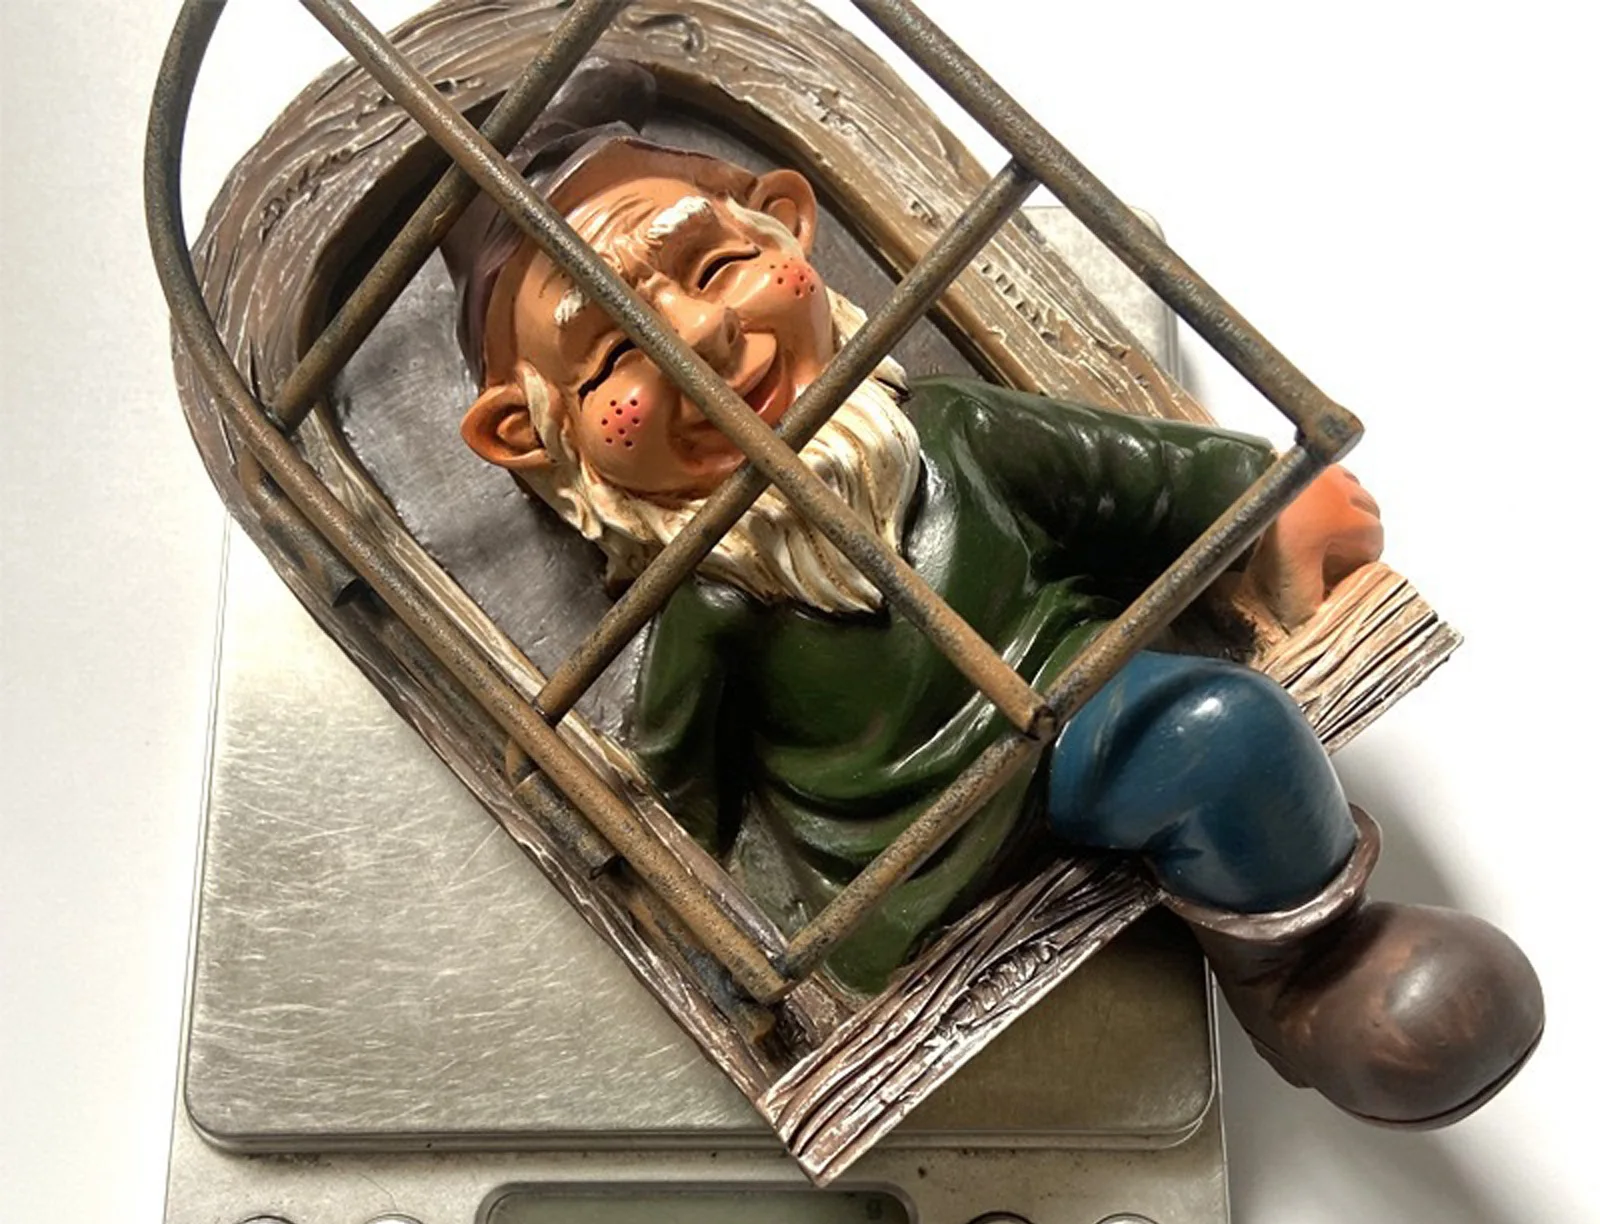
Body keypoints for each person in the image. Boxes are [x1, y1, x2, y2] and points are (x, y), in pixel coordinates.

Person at [445, 60, 1541, 1127]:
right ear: (530, 438)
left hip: (1079, 719)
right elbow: (674, 796)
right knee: (1215, 730)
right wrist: (700, 935)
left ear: (788, 225)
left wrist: (1269, 502)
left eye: (717, 266)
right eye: (612, 359)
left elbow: (1135, 479)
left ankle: (1298, 966)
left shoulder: (954, 434)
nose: (697, 338)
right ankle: (1294, 958)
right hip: (908, 867)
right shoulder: (712, 605)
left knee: (1224, 728)